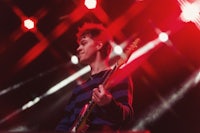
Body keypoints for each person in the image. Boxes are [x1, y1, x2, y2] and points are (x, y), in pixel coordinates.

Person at [56, 22, 134, 132]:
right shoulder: (78, 89)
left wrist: (109, 103)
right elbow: (64, 123)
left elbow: (127, 116)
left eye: (83, 43)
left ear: (99, 45)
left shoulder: (119, 76)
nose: (78, 48)